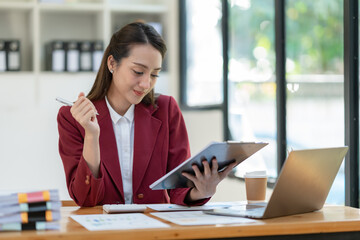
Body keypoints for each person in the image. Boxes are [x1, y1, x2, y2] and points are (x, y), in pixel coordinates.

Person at [57, 22, 237, 207]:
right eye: (138, 71)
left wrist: (201, 191)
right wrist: (92, 136)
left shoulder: (167, 110)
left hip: (155, 231)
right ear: (112, 63)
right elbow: (86, 198)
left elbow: (179, 189)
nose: (146, 84)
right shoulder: (71, 118)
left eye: (154, 74)